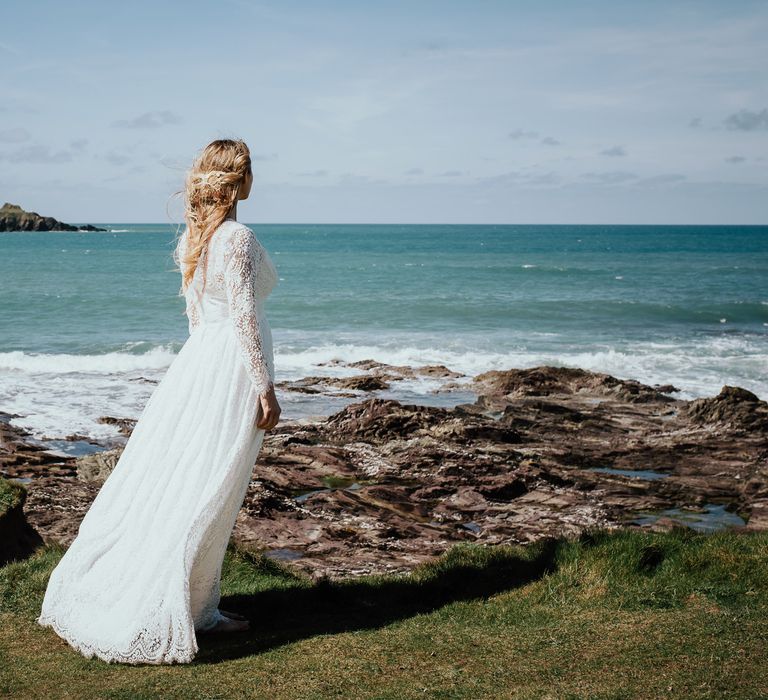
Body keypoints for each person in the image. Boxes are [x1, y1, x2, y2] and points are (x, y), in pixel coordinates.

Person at [36, 138, 281, 664]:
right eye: (252, 170)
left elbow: (197, 319)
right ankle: (186, 608)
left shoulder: (197, 238)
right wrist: (264, 386)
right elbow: (242, 316)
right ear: (240, 179)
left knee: (193, 481)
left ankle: (196, 605)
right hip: (229, 373)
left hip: (198, 367)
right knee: (211, 487)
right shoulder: (236, 237)